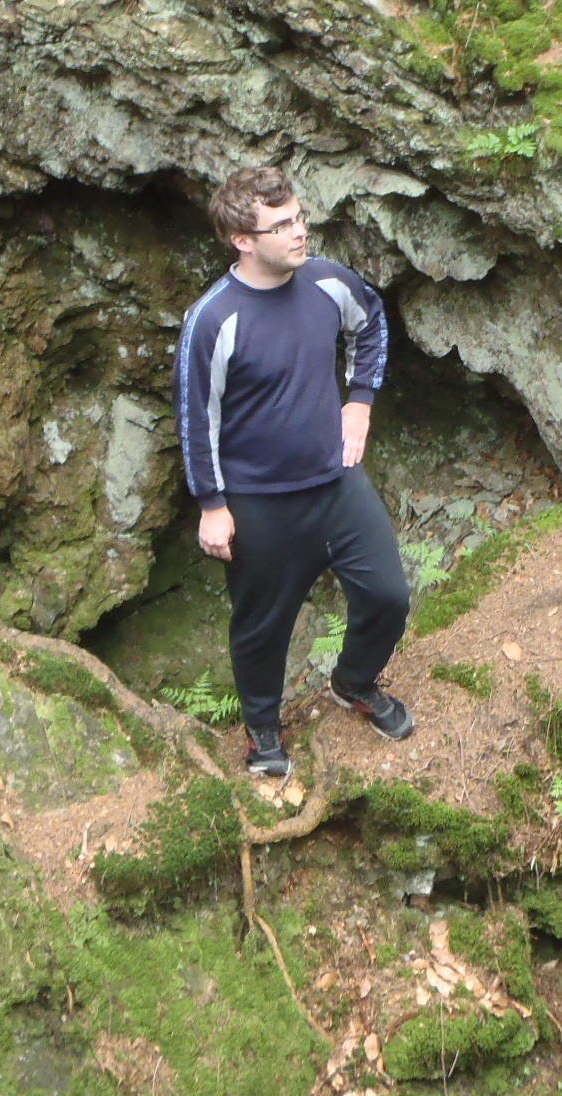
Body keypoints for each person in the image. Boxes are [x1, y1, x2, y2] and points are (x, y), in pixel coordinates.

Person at [173, 165, 414, 779]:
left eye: (300, 217)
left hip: (336, 483)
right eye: (280, 226)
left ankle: (354, 682)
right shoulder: (214, 319)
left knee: (388, 595)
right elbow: (195, 416)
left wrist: (359, 400)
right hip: (259, 501)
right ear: (242, 240)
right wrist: (211, 504)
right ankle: (262, 731)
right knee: (262, 627)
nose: (299, 233)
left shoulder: (329, 282)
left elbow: (372, 324)